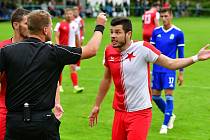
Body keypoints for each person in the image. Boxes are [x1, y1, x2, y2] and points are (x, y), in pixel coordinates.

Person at [89, 17, 210, 140]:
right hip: (119, 112)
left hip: (140, 113)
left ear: (129, 34)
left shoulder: (143, 48)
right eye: (111, 32)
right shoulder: (109, 51)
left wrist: (196, 58)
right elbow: (106, 79)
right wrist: (97, 105)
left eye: (118, 32)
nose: (113, 36)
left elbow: (171, 64)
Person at [0, 10, 107, 140]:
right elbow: (92, 50)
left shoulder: (7, 51)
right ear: (45, 30)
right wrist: (100, 25)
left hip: (14, 122)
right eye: (51, 27)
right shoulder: (54, 52)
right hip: (43, 121)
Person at [150, 8, 184, 134]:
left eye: (166, 16)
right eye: (162, 16)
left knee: (169, 96)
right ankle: (170, 115)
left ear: (171, 16)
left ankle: (165, 125)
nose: (164, 19)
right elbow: (150, 51)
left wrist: (181, 73)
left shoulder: (178, 33)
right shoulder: (156, 32)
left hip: (170, 69)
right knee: (155, 96)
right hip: (156, 69)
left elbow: (181, 54)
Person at [0, 8, 30, 140]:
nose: (31, 27)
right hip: (5, 109)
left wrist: (57, 102)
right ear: (16, 25)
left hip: (33, 110)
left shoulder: (38, 48)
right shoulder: (2, 48)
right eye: (27, 23)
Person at [54, 8, 84, 93]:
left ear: (72, 15)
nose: (69, 15)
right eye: (67, 14)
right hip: (62, 49)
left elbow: (77, 38)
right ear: (64, 15)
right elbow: (56, 36)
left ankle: (76, 86)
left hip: (72, 49)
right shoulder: (59, 24)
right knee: (60, 69)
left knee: (73, 67)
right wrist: (58, 46)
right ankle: (59, 86)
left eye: (70, 14)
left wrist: (79, 48)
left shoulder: (75, 25)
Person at [73, 6, 85, 71]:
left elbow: (83, 29)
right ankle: (73, 64)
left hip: (79, 38)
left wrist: (82, 37)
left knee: (78, 51)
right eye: (74, 11)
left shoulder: (80, 20)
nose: (75, 12)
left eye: (76, 11)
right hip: (72, 38)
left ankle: (78, 65)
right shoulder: (72, 19)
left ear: (78, 11)